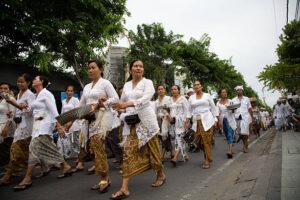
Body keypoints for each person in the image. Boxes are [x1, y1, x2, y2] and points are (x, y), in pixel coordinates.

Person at [111, 60, 165, 199]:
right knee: (128, 152)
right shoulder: (127, 85)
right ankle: (124, 189)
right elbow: (120, 102)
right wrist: (117, 108)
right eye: (135, 66)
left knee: (154, 150)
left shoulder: (148, 83)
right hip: (131, 123)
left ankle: (160, 174)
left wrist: (128, 104)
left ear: (143, 70)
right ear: (131, 69)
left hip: (147, 122)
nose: (138, 68)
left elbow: (146, 98)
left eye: (141, 66)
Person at [13, 76, 73, 191]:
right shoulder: (37, 95)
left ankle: (28, 178)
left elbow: (53, 110)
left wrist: (59, 125)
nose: (34, 80)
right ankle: (65, 166)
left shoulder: (46, 93)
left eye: (36, 78)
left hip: (44, 126)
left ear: (41, 82)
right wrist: (14, 102)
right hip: (38, 126)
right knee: (49, 148)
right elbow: (32, 111)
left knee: (33, 147)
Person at [80, 59, 119, 193]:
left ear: (100, 69)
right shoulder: (86, 87)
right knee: (95, 150)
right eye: (89, 68)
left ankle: (104, 179)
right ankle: (104, 177)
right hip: (89, 121)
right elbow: (81, 105)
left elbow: (116, 98)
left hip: (102, 119)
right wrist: (70, 121)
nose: (90, 70)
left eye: (93, 67)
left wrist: (103, 103)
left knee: (99, 147)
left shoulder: (105, 83)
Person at [0, 74, 35, 185]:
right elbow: (18, 110)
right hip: (19, 127)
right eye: (18, 82)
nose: (19, 84)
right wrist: (12, 113)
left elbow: (29, 111)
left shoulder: (30, 95)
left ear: (28, 83)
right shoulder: (19, 94)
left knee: (16, 150)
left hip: (27, 127)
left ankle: (8, 176)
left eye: (22, 82)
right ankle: (45, 167)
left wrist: (12, 103)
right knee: (24, 151)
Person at [188, 81, 218, 168]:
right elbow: (189, 110)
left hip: (207, 120)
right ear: (193, 88)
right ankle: (207, 157)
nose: (196, 86)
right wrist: (187, 120)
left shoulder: (207, 95)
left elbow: (213, 107)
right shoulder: (191, 98)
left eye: (198, 84)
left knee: (207, 140)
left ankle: (206, 159)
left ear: (201, 86)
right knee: (200, 142)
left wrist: (215, 118)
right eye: (195, 85)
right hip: (197, 121)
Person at [57, 85, 81, 159]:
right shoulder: (63, 101)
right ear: (66, 91)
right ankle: (70, 156)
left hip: (75, 123)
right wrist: (62, 124)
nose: (70, 92)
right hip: (65, 123)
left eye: (71, 91)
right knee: (67, 141)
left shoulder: (75, 100)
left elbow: (77, 113)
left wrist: (71, 122)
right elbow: (62, 114)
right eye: (68, 90)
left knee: (76, 141)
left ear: (73, 92)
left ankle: (79, 157)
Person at [168, 85, 189, 166]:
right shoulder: (170, 99)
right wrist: (169, 117)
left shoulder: (183, 99)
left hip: (181, 121)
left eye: (175, 89)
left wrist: (187, 121)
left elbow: (187, 111)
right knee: (179, 138)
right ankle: (185, 155)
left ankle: (175, 157)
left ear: (179, 90)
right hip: (173, 122)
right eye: (172, 89)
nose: (173, 90)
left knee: (179, 138)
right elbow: (168, 110)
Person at [232, 85, 253, 153]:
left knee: (245, 132)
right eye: (238, 90)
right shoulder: (233, 100)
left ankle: (245, 146)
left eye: (240, 90)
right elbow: (232, 110)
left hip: (246, 117)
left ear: (242, 91)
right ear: (236, 91)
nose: (239, 91)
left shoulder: (247, 99)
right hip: (237, 117)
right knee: (240, 132)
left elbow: (250, 108)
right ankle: (242, 139)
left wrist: (251, 118)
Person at [216, 89, 236, 159]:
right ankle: (230, 147)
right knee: (227, 135)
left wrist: (231, 108)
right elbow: (217, 113)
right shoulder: (218, 103)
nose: (225, 93)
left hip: (230, 119)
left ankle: (229, 151)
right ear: (220, 94)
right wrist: (219, 122)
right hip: (223, 120)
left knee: (230, 134)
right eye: (223, 92)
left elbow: (234, 110)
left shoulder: (230, 101)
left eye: (225, 92)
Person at [0, 82, 16, 167]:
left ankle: (8, 168)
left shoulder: (10, 99)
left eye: (5, 88)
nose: (3, 90)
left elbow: (12, 114)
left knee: (6, 147)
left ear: (9, 89)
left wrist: (6, 127)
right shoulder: (2, 99)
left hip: (7, 125)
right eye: (1, 88)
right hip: (1, 124)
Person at [155, 84, 172, 161]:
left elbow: (171, 109)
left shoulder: (168, 99)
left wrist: (166, 114)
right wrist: (159, 115)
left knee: (165, 136)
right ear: (157, 91)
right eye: (159, 89)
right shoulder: (156, 101)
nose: (160, 90)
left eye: (162, 89)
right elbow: (155, 112)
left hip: (167, 119)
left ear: (164, 90)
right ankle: (172, 152)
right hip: (159, 120)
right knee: (163, 137)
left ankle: (162, 155)